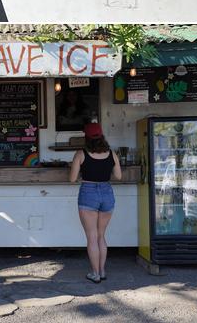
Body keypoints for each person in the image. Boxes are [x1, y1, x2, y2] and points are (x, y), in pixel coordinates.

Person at [69, 119, 122, 283]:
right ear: (101, 136)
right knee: (101, 236)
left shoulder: (81, 154)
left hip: (88, 193)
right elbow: (119, 176)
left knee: (91, 237)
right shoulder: (112, 153)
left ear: (86, 137)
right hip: (107, 193)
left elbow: (72, 179)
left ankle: (95, 273)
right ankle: (103, 271)